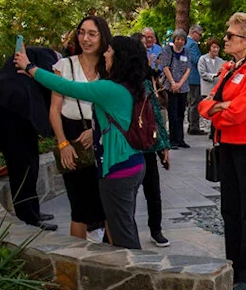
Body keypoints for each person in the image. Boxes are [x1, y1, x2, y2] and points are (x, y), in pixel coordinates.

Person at [16, 35, 151, 249]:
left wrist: (30, 67)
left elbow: (67, 87)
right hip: (133, 164)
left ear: (120, 57)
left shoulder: (109, 89)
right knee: (124, 224)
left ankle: (135, 275)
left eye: (110, 51)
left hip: (118, 170)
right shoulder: (131, 86)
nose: (105, 54)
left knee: (123, 235)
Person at [198, 12, 246, 290]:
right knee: (230, 209)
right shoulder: (230, 67)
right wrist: (218, 108)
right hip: (226, 143)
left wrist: (219, 108)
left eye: (231, 35)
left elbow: (240, 112)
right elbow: (206, 105)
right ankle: (234, 267)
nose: (225, 38)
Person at [0, 45, 61, 230]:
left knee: (29, 162)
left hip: (11, 113)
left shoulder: (28, 57)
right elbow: (52, 83)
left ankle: (33, 211)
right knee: (22, 166)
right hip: (13, 113)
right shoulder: (47, 56)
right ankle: (29, 218)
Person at [49, 16, 111, 243]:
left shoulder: (110, 67)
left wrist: (96, 130)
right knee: (78, 207)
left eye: (92, 33)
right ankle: (78, 263)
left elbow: (117, 108)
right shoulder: (64, 65)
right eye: (82, 32)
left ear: (102, 36)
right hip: (73, 137)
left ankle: (111, 263)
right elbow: (55, 110)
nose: (86, 38)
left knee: (107, 207)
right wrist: (63, 143)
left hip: (104, 139)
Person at [139, 65, 172, 248]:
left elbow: (155, 116)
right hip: (127, 147)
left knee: (153, 191)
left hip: (147, 147)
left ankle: (156, 229)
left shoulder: (146, 82)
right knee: (127, 194)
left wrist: (163, 147)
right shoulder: (116, 80)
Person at [160, 30, 191, 149]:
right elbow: (165, 66)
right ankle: (172, 139)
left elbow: (188, 68)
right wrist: (173, 83)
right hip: (170, 85)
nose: (180, 41)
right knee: (172, 113)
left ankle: (180, 138)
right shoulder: (168, 50)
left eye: (182, 39)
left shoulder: (187, 52)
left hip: (183, 86)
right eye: (178, 39)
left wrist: (180, 83)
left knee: (180, 113)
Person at [185, 25, 204, 135]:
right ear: (193, 32)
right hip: (194, 77)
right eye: (199, 34)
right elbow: (197, 60)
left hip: (191, 77)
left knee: (193, 101)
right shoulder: (191, 44)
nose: (200, 37)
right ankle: (193, 126)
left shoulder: (188, 43)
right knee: (195, 102)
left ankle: (192, 124)